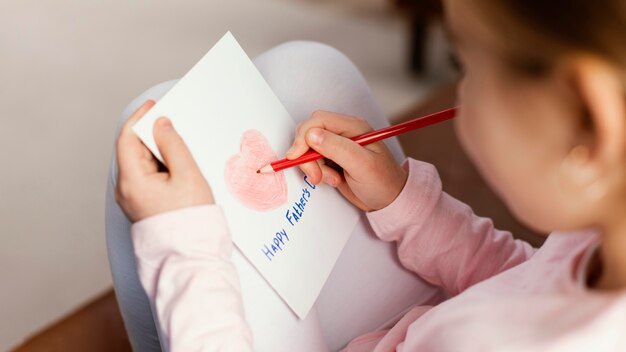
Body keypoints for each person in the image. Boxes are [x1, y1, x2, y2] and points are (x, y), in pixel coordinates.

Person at [111, 0, 626, 350]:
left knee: (152, 128)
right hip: (428, 323)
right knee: (308, 68)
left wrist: (185, 251)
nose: (461, 96)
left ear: (590, 120)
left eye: (467, 66)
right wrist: (405, 203)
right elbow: (529, 284)